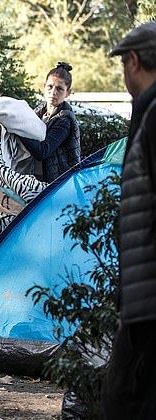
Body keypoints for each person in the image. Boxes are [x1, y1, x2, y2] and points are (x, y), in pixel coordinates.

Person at [102, 21, 156, 419]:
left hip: (150, 297)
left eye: (123, 65)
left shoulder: (154, 118)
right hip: (142, 294)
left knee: (126, 398)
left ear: (133, 61)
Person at [20, 62, 81, 183]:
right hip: (32, 178)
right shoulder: (37, 113)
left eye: (59, 89)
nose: (53, 92)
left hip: (55, 184)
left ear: (68, 92)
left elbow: (42, 151)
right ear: (44, 86)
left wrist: (17, 129)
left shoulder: (64, 120)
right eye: (50, 86)